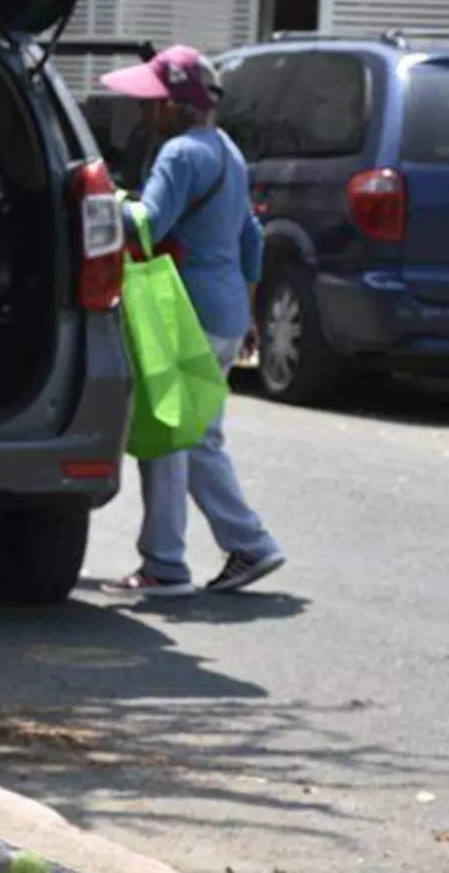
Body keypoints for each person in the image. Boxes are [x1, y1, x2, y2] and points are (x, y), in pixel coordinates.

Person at [98, 45, 287, 596]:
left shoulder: (179, 154)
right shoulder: (226, 150)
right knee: (199, 437)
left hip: (185, 314)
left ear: (176, 107)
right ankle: (250, 546)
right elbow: (251, 238)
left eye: (153, 101)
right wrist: (249, 310)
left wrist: (104, 200)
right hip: (224, 314)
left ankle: (165, 565)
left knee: (165, 439)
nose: (145, 111)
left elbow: (147, 224)